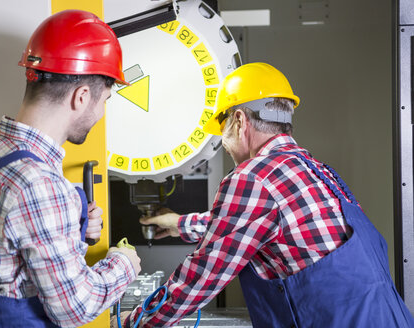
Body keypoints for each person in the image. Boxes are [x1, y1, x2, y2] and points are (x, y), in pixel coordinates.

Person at [113, 62, 414, 327]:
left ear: (240, 121)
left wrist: (138, 320)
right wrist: (180, 223)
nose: (225, 145)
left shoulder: (252, 177)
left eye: (223, 132)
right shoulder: (315, 170)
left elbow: (202, 275)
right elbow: (258, 226)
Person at [0, 10, 141, 328]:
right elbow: (74, 308)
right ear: (81, 97)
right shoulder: (40, 183)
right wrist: (124, 264)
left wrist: (73, 226)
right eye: (104, 100)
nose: (101, 113)